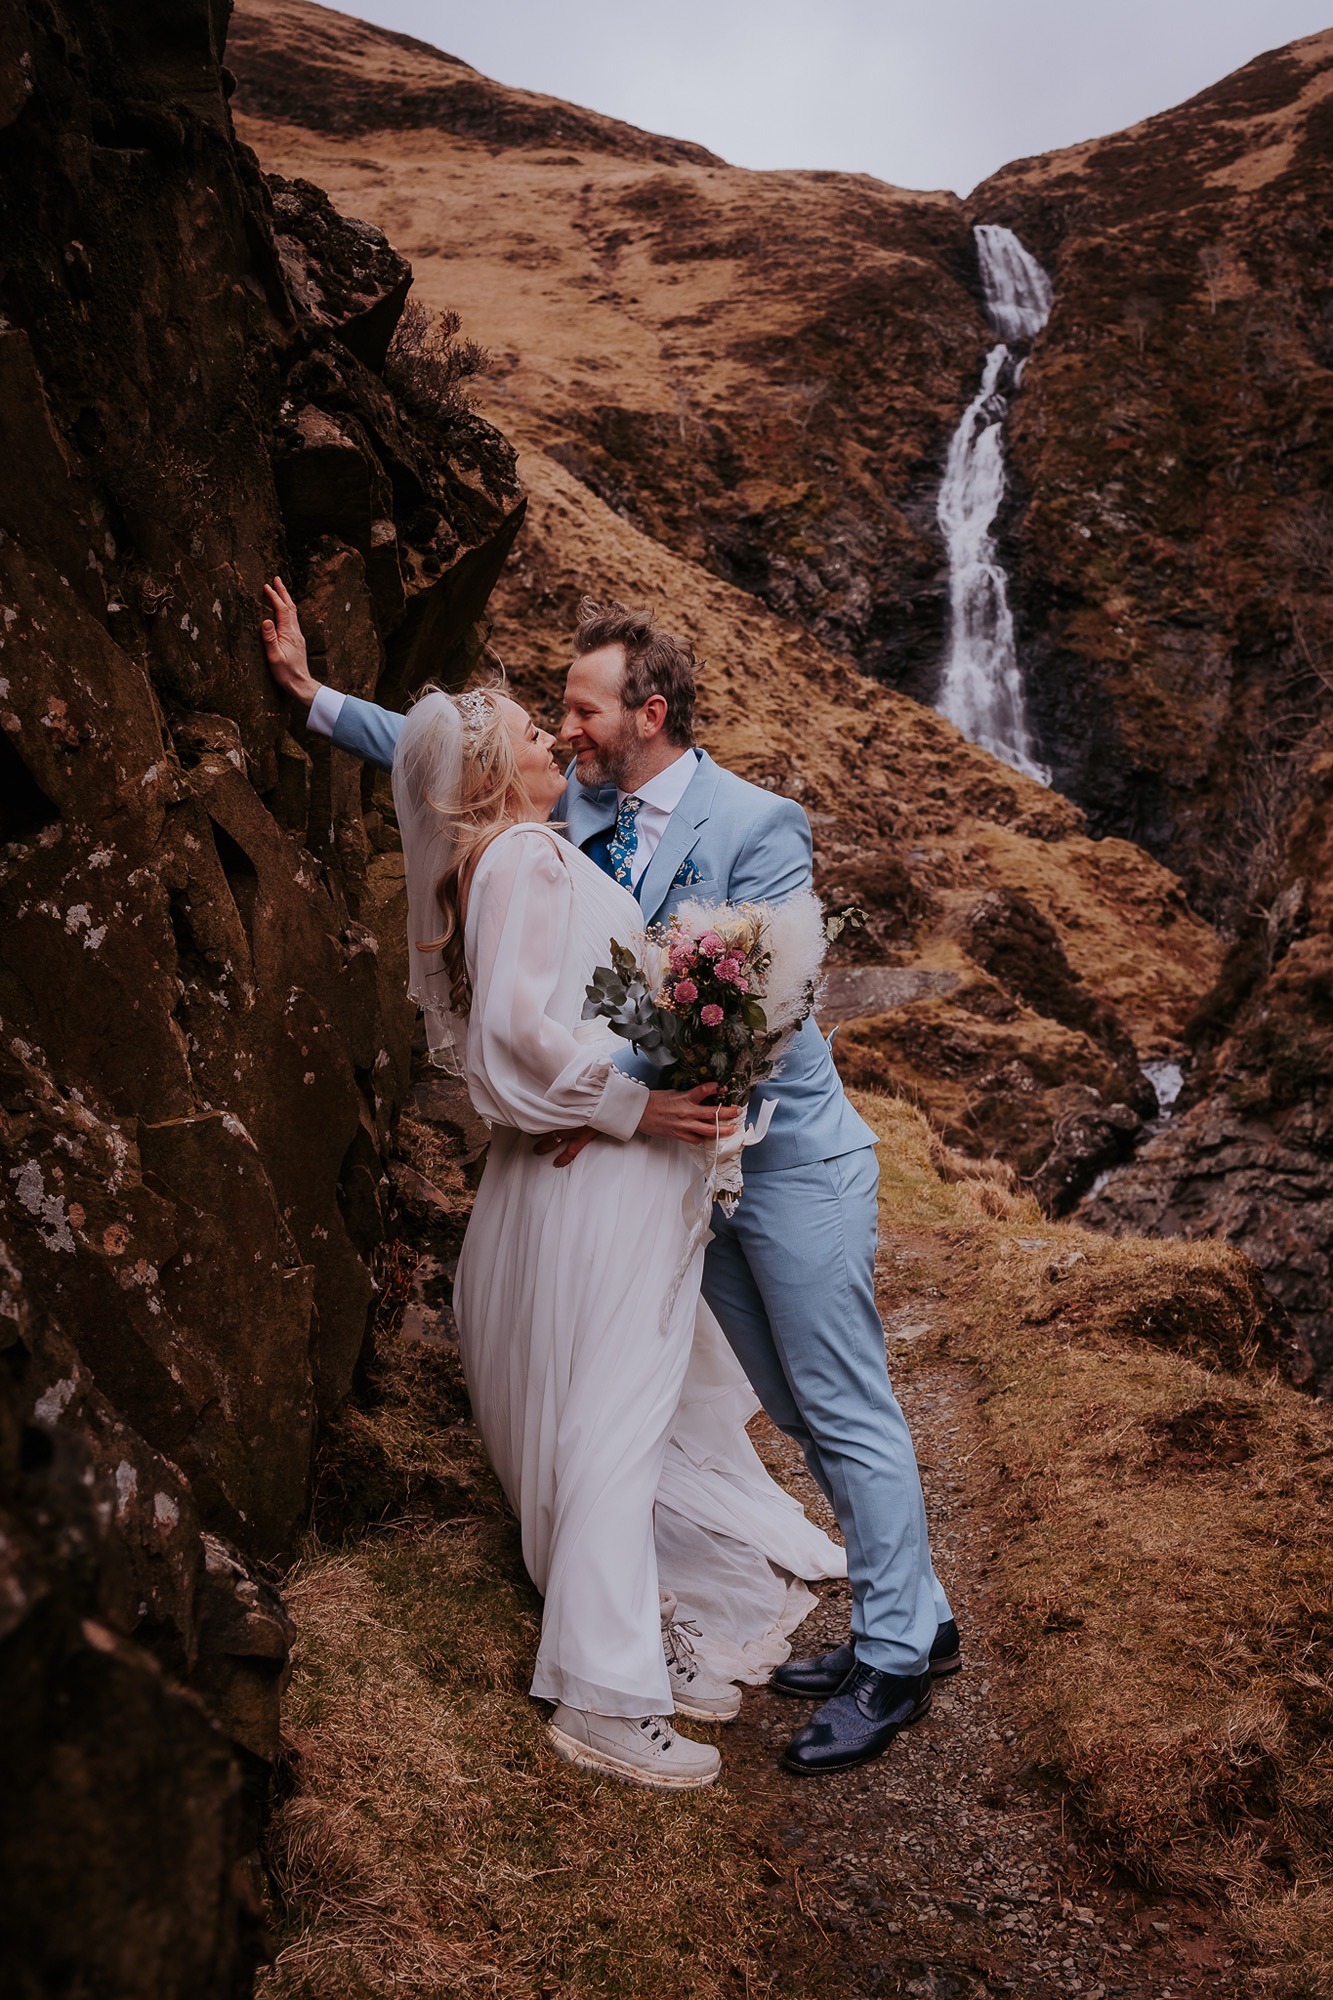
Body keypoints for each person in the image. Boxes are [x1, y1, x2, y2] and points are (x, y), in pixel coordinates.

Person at [263, 581, 960, 1778]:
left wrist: (612, 1091)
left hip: (781, 1160)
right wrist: (317, 700)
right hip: (672, 1174)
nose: (566, 728)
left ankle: (897, 1650)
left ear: (650, 711)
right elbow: (456, 759)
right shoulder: (571, 811)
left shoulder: (758, 819)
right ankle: (918, 1614)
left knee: (839, 1398)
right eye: (560, 718)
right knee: (792, 1406)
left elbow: (772, 1005)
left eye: (582, 709)